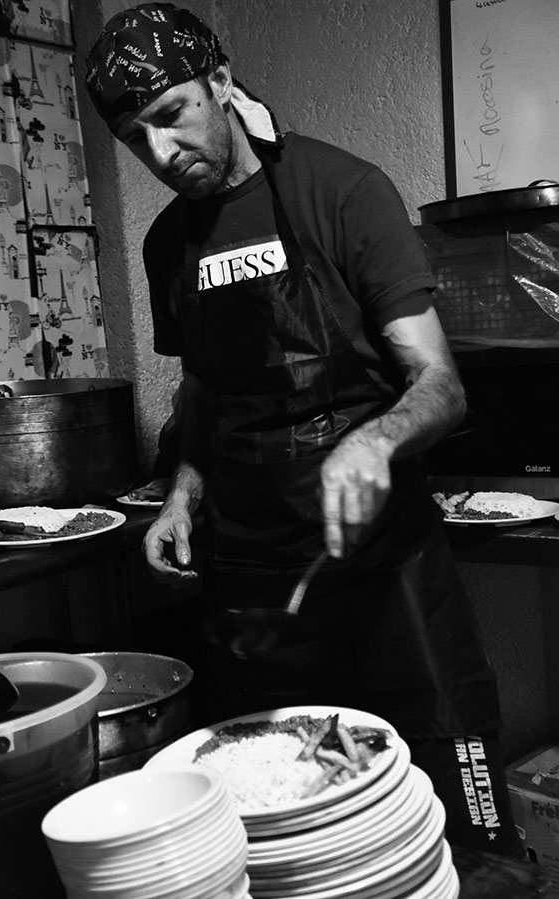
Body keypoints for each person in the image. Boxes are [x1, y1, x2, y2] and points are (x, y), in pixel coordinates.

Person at [85, 3, 524, 857]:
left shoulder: (343, 189)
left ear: (219, 83)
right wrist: (180, 494)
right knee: (277, 782)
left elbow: (440, 385)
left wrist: (371, 440)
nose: (163, 153)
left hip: (378, 545)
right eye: (138, 139)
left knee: (443, 743)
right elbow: (204, 385)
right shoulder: (167, 242)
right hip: (252, 553)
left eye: (172, 115)